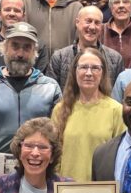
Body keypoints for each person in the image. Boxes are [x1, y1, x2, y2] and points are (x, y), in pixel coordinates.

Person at [0, 22, 61, 181]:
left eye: (27, 47)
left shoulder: (50, 87)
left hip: (40, 175)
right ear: (4, 48)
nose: (20, 53)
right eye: (15, 46)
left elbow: (57, 138)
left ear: (35, 52)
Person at [51, 48, 125, 182]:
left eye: (95, 68)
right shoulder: (60, 109)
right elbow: (54, 155)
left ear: (102, 73)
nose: (89, 73)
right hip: (67, 191)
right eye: (84, 67)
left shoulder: (116, 110)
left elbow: (121, 157)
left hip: (101, 190)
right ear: (75, 71)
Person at [49, 6, 124, 89]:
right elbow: (52, 94)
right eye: (88, 21)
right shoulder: (59, 58)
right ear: (77, 22)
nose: (92, 27)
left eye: (97, 23)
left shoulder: (115, 59)